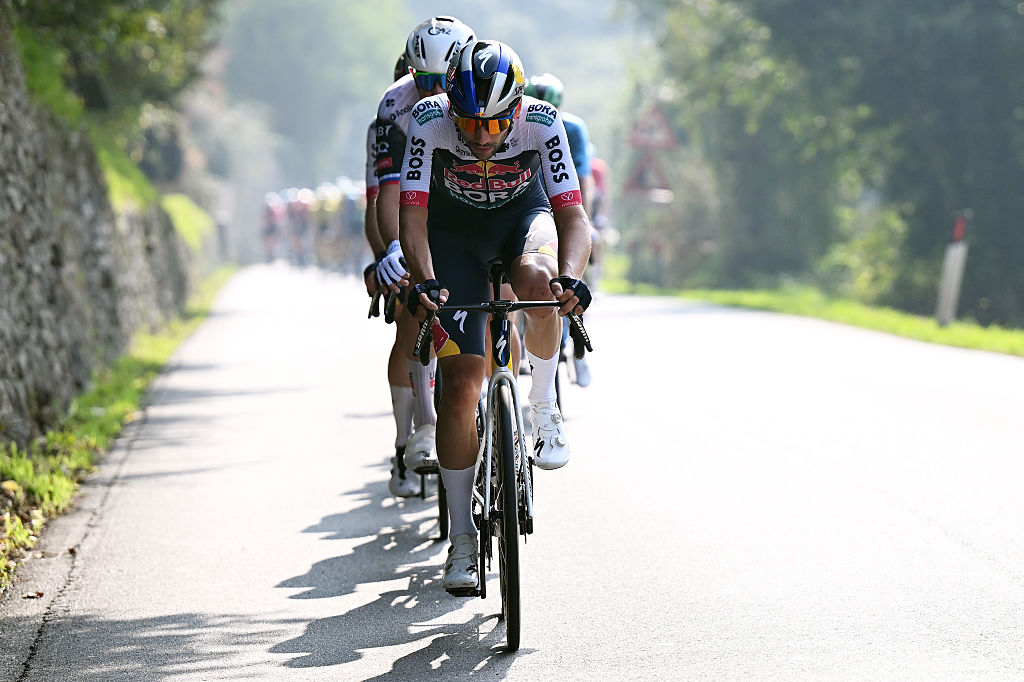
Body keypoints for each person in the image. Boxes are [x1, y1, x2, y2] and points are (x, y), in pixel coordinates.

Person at [398, 40, 593, 592]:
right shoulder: (428, 121)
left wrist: (572, 277)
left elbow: (572, 215)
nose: (483, 138)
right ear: (452, 109)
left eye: (495, 125)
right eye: (471, 125)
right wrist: (426, 278)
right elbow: (412, 220)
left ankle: (544, 406)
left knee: (539, 283)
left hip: (520, 222)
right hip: (451, 235)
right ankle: (461, 539)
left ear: (518, 109)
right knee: (459, 387)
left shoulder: (543, 123)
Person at [364, 18, 477, 498]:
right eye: (422, 80)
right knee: (411, 307)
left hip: (465, 195)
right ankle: (411, 435)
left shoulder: (481, 85)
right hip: (409, 201)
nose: (432, 91)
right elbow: (384, 194)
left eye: (441, 79)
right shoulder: (395, 104)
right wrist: (390, 251)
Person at [524, 72, 594, 387]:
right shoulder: (520, 123)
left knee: (572, 275)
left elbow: (584, 179)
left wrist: (586, 221)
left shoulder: (572, 128)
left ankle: (578, 349)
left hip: (564, 205)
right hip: (529, 209)